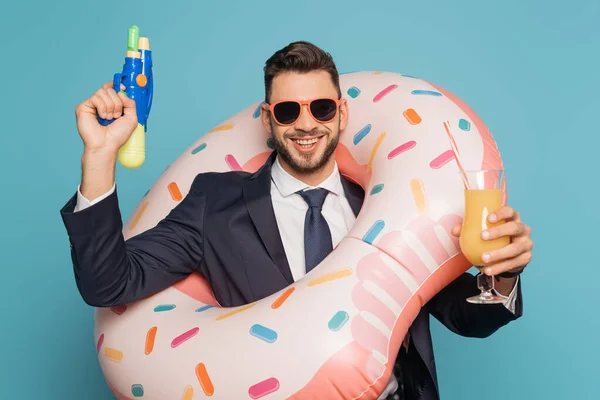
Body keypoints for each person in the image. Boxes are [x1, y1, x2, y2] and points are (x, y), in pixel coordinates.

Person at [60, 41, 533, 400]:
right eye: (288, 111)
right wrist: (100, 158)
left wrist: (504, 275)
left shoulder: (384, 204)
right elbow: (108, 284)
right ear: (268, 120)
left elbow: (462, 318)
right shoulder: (214, 203)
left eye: (321, 108)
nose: (306, 124)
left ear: (342, 113)